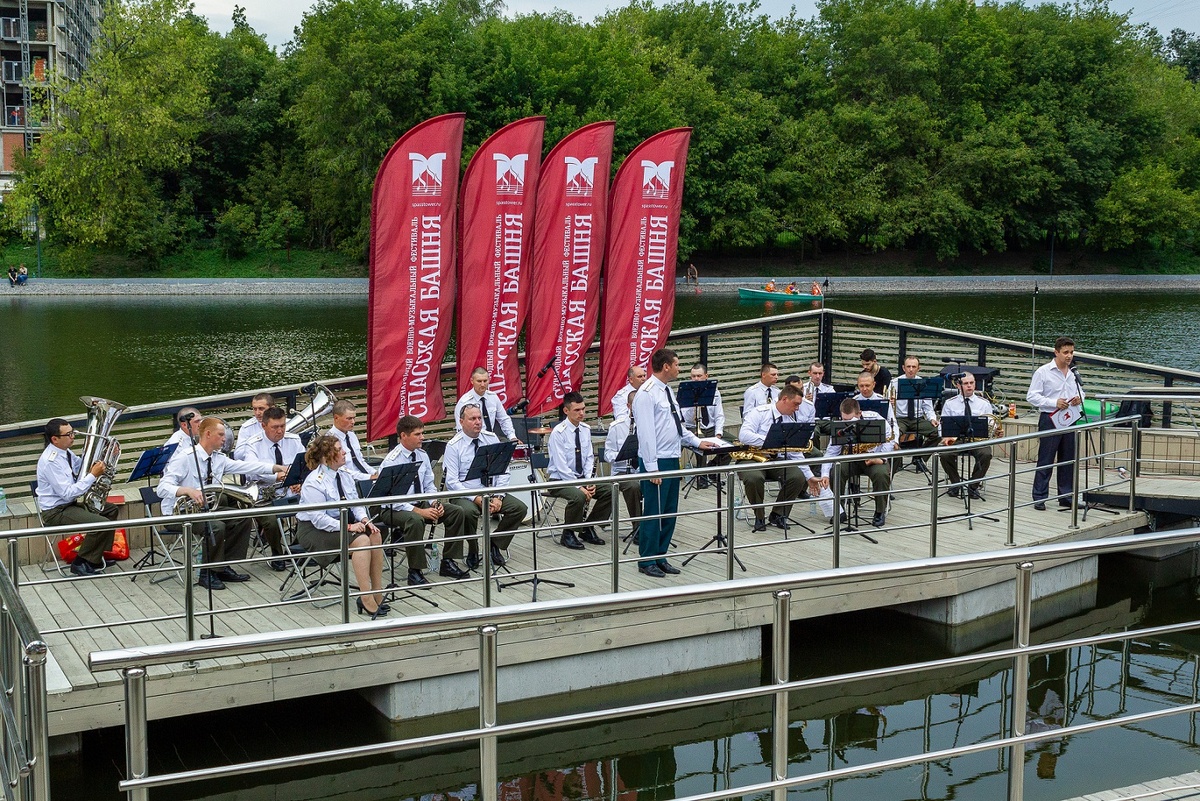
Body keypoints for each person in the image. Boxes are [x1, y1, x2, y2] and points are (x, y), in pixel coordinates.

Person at [157, 417, 284, 589]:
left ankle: (222, 566)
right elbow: (162, 488)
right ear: (208, 434)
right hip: (180, 513)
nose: (225, 439)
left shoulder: (218, 458)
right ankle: (206, 573)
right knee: (216, 526)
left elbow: (246, 466)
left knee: (242, 518)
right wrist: (187, 490)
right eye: (221, 434)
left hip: (205, 508)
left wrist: (275, 468)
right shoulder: (185, 458)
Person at [631, 348, 714, 577]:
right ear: (666, 366)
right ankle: (646, 560)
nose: (679, 368)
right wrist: (652, 468)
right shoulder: (647, 393)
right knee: (654, 512)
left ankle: (660, 555)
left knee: (669, 512)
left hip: (671, 456)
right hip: (656, 460)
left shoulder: (666, 390)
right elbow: (646, 434)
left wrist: (698, 442)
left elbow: (676, 426)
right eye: (676, 364)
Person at [295, 434, 387, 617]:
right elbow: (319, 519)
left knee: (374, 534)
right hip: (314, 530)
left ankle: (377, 592)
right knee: (361, 540)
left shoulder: (344, 474)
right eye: (338, 450)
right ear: (326, 457)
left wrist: (364, 520)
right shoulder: (314, 482)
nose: (345, 452)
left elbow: (355, 502)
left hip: (341, 522)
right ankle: (365, 596)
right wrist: (348, 528)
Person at [374, 415, 464, 585]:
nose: (422, 437)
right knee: (415, 520)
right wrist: (420, 511)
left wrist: (434, 503)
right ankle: (415, 571)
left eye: (422, 433)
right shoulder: (392, 461)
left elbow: (429, 485)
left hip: (419, 501)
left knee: (456, 512)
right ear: (403, 436)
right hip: (393, 509)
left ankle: (448, 562)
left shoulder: (422, 455)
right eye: (417, 434)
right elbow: (391, 498)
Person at [442, 403, 527, 574]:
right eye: (472, 419)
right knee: (468, 512)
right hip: (465, 494)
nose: (478, 422)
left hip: (490, 491)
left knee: (519, 508)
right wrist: (475, 498)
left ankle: (494, 544)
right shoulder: (453, 446)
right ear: (461, 421)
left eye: (479, 418)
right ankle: (473, 549)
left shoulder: (491, 438)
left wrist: (499, 496)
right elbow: (451, 481)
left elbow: (503, 470)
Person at [737, 385, 832, 530]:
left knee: (797, 476)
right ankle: (759, 516)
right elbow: (744, 435)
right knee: (754, 478)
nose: (797, 409)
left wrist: (809, 476)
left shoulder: (790, 421)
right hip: (752, 456)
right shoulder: (759, 412)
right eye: (796, 404)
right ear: (785, 399)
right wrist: (771, 441)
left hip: (777, 460)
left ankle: (778, 514)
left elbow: (795, 453)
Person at [36, 418, 118, 576]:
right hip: (56, 511)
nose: (73, 436)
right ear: (55, 439)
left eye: (73, 432)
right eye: (69, 434)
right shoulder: (50, 461)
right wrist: (93, 475)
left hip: (69, 504)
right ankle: (79, 563)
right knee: (101, 524)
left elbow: (82, 467)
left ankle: (95, 557)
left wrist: (105, 457)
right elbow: (67, 493)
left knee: (110, 510)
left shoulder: (65, 452)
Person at [239, 406, 304, 570]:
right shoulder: (253, 444)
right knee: (272, 522)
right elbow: (251, 470)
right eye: (275, 427)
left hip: (291, 491)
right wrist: (276, 475)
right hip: (263, 495)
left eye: (283, 426)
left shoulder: (294, 440)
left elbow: (305, 465)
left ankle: (298, 550)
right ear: (264, 426)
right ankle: (278, 553)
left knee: (313, 508)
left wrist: (299, 480)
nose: (280, 431)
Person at [546, 392, 613, 549]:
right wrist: (580, 487)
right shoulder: (558, 433)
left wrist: (590, 481)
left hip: (583, 478)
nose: (581, 413)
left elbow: (589, 458)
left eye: (583, 409)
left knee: (611, 490)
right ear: (566, 411)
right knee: (577, 496)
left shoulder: (585, 429)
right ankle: (568, 533)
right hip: (560, 480)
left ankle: (588, 527)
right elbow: (562, 467)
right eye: (577, 410)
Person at [1027, 336, 1084, 510]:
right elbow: (1032, 396)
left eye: (1072, 352)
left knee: (1068, 459)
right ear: (1056, 352)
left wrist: (1077, 399)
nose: (1069, 356)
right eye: (1065, 352)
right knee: (1046, 458)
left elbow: (1082, 392)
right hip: (1050, 418)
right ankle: (1039, 496)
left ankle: (1066, 496)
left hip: (1070, 418)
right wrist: (1054, 402)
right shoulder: (1043, 372)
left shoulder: (1073, 372)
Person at [824, 397, 898, 527]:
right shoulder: (839, 425)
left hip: (874, 458)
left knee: (881, 474)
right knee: (837, 470)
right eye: (844, 420)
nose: (846, 423)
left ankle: (879, 512)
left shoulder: (876, 419)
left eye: (850, 420)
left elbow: (889, 439)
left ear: (859, 413)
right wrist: (825, 474)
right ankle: (839, 510)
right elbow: (831, 452)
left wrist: (880, 458)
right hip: (849, 458)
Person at [938, 372, 1000, 499]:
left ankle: (973, 486)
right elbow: (942, 425)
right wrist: (945, 437)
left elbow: (991, 423)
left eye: (972, 383)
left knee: (986, 454)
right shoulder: (950, 403)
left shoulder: (983, 403)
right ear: (958, 385)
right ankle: (956, 484)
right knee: (944, 454)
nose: (969, 386)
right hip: (956, 440)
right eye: (966, 383)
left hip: (977, 439)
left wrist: (995, 431)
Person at [604, 391, 642, 543]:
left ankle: (653, 525)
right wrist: (621, 455)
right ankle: (638, 528)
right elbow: (607, 455)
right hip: (622, 472)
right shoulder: (617, 427)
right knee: (633, 486)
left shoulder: (651, 424)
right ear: (629, 406)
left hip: (642, 470)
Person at [680, 362, 725, 488]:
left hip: (710, 427)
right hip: (692, 427)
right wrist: (694, 402)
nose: (696, 379)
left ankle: (712, 468)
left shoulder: (715, 392)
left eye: (699, 376)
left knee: (732, 446)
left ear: (706, 376)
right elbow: (685, 418)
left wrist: (719, 433)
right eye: (693, 376)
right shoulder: (686, 391)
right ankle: (701, 476)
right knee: (699, 444)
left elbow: (719, 415)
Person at [892, 356, 940, 457]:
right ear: (903, 368)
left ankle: (920, 457)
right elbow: (889, 404)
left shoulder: (923, 383)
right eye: (908, 366)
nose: (911, 369)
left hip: (918, 419)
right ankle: (898, 460)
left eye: (914, 367)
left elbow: (928, 406)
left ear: (918, 368)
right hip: (900, 419)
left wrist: (932, 418)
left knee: (938, 432)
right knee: (892, 435)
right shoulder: (894, 383)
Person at [454, 367, 519, 441]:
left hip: (492, 439)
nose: (482, 384)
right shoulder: (464, 402)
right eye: (479, 381)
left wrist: (512, 437)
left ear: (489, 380)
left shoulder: (493, 397)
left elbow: (504, 419)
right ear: (472, 381)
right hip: (473, 441)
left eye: (485, 381)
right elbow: (461, 429)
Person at [329, 399, 376, 482]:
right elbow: (341, 471)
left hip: (363, 478)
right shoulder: (330, 440)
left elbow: (360, 461)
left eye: (354, 418)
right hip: (348, 482)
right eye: (349, 418)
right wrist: (368, 477)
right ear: (336, 418)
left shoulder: (351, 435)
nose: (353, 422)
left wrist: (374, 472)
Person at [234, 393, 276, 458]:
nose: (257, 413)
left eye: (261, 409)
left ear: (272, 408)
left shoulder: (287, 424)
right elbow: (238, 456)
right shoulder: (247, 428)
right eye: (255, 409)